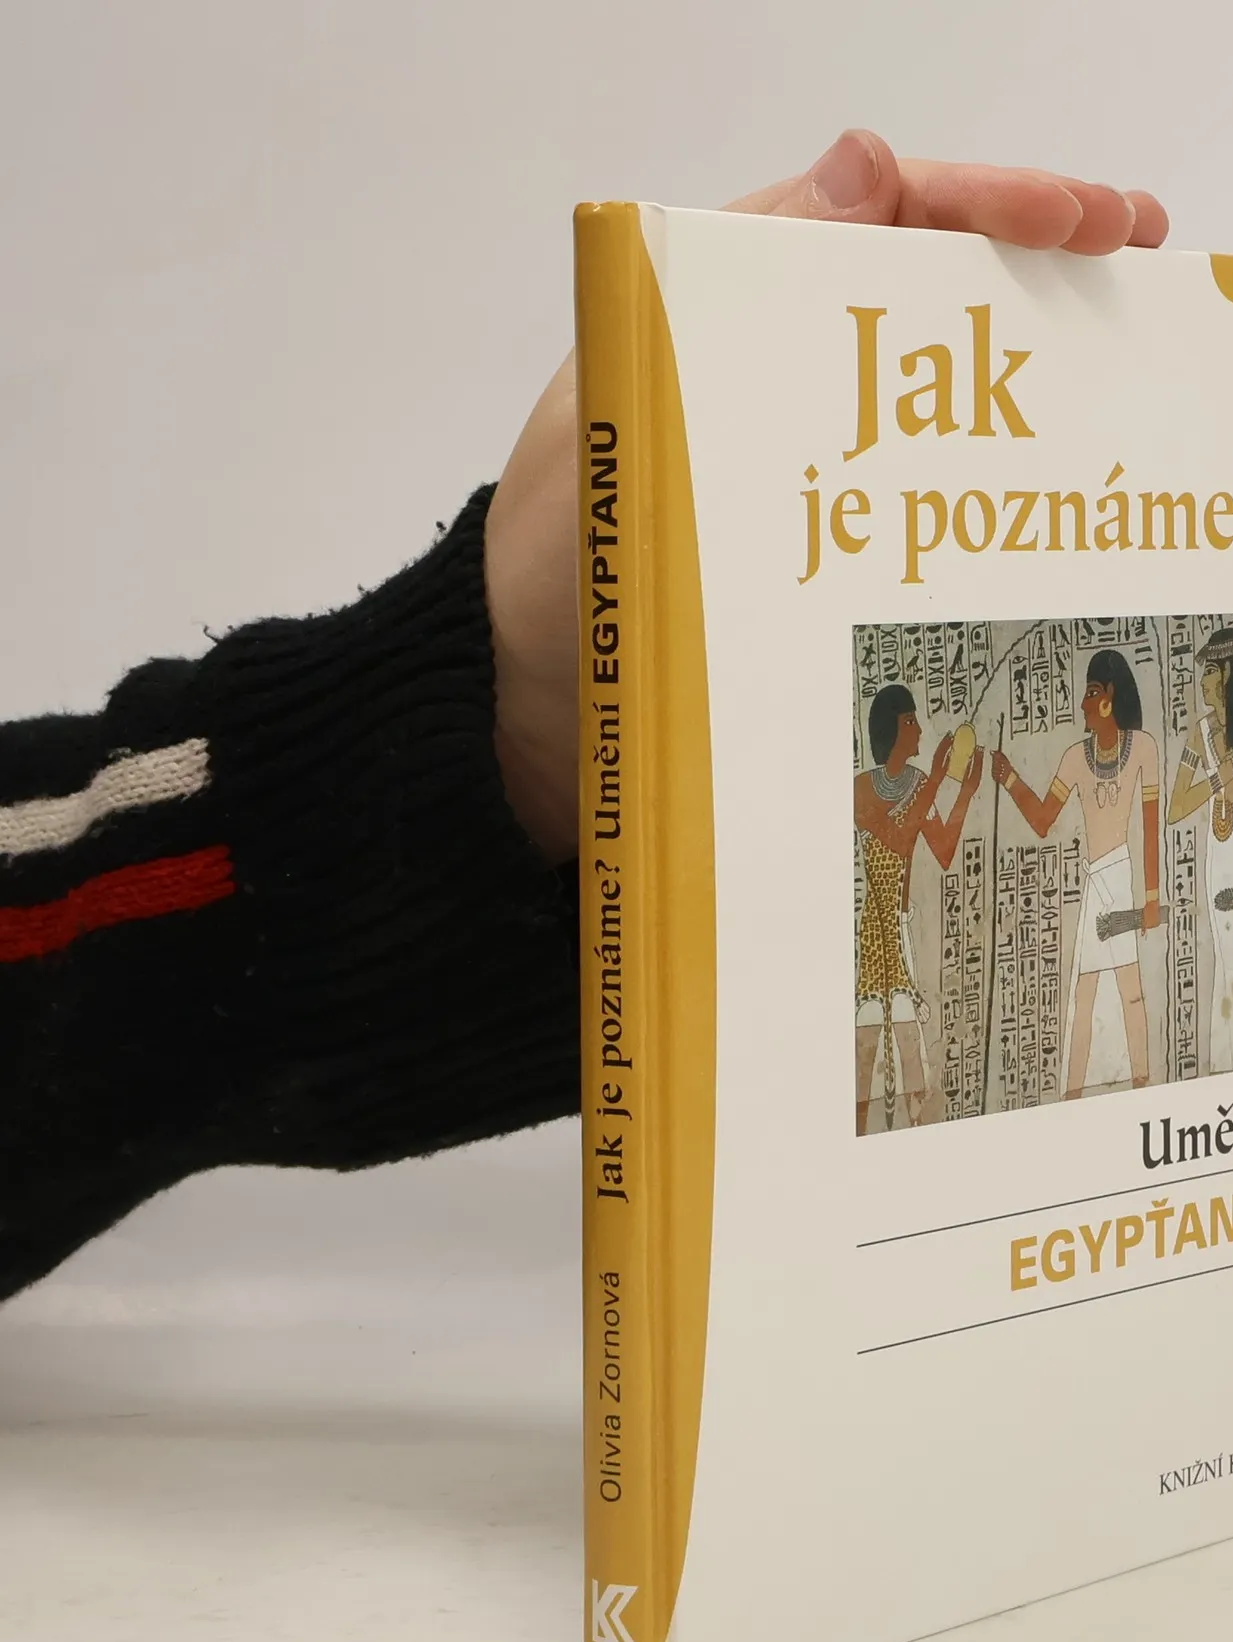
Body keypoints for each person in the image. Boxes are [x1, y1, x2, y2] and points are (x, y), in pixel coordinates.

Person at [0, 132, 1171, 1305]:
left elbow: (956, 832)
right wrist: (503, 743)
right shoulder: (894, 794)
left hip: (944, 936)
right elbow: (944, 833)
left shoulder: (948, 784)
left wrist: (517, 741)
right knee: (979, 1068)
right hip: (886, 956)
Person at [989, 650, 1161, 1097]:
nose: (1083, 704)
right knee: (1084, 995)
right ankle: (1073, 1096)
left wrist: (1151, 897)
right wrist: (1009, 778)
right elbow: (1043, 820)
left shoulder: (1143, 748)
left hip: (1120, 877)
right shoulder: (1074, 757)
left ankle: (1143, 1083)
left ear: (1110, 697)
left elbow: (1150, 827)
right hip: (1096, 883)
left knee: (1131, 989)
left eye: (1091, 693)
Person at [853, 685, 981, 1132]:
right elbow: (898, 838)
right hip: (875, 934)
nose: (920, 729)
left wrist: (966, 791)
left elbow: (942, 849)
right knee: (864, 1057)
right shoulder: (860, 789)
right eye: (910, 721)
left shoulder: (919, 784)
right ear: (891, 729)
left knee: (911, 1057)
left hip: (901, 929)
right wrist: (937, 779)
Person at [1165, 627, 1233, 1073]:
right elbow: (1174, 809)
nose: (1202, 681)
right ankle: (1224, 1067)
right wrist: (1215, 782)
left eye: (1210, 671)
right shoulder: (1202, 734)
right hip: (1217, 858)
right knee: (1225, 964)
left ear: (1228, 674)